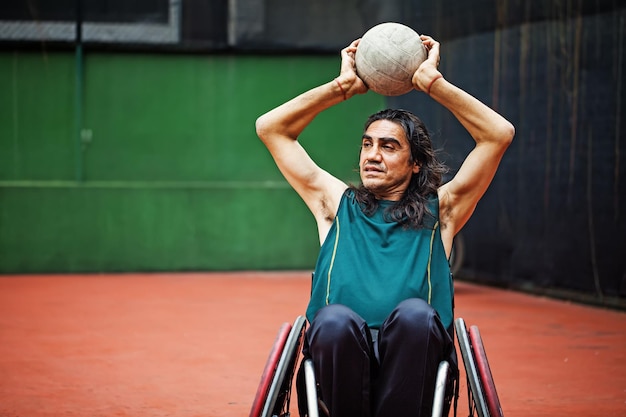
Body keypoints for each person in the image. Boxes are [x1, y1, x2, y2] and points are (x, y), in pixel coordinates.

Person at [255, 35, 514, 417]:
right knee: (334, 320)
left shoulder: (440, 210)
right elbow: (270, 127)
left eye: (389, 147)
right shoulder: (334, 204)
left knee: (415, 316)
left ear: (415, 164)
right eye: (367, 144)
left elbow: (498, 134)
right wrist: (341, 88)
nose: (372, 156)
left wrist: (433, 84)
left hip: (416, 359)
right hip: (338, 354)